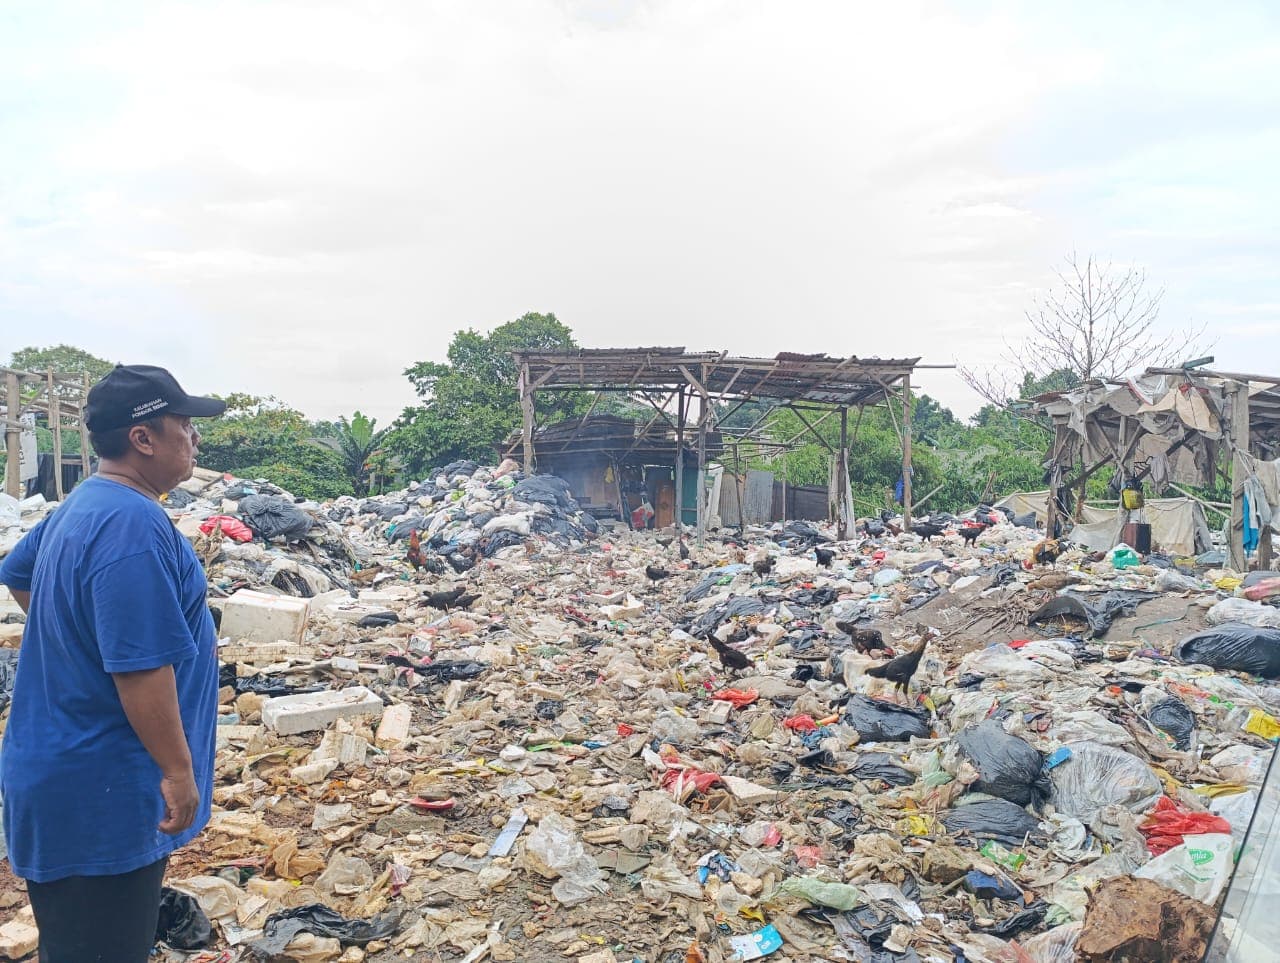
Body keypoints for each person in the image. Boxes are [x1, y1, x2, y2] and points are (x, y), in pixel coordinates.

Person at [0, 365, 226, 961]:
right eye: (183, 424)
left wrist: (76, 634)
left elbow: (17, 572)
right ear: (143, 439)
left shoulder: (89, 503)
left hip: (74, 775)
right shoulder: (131, 523)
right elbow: (141, 669)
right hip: (102, 789)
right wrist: (178, 772)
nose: (193, 438)